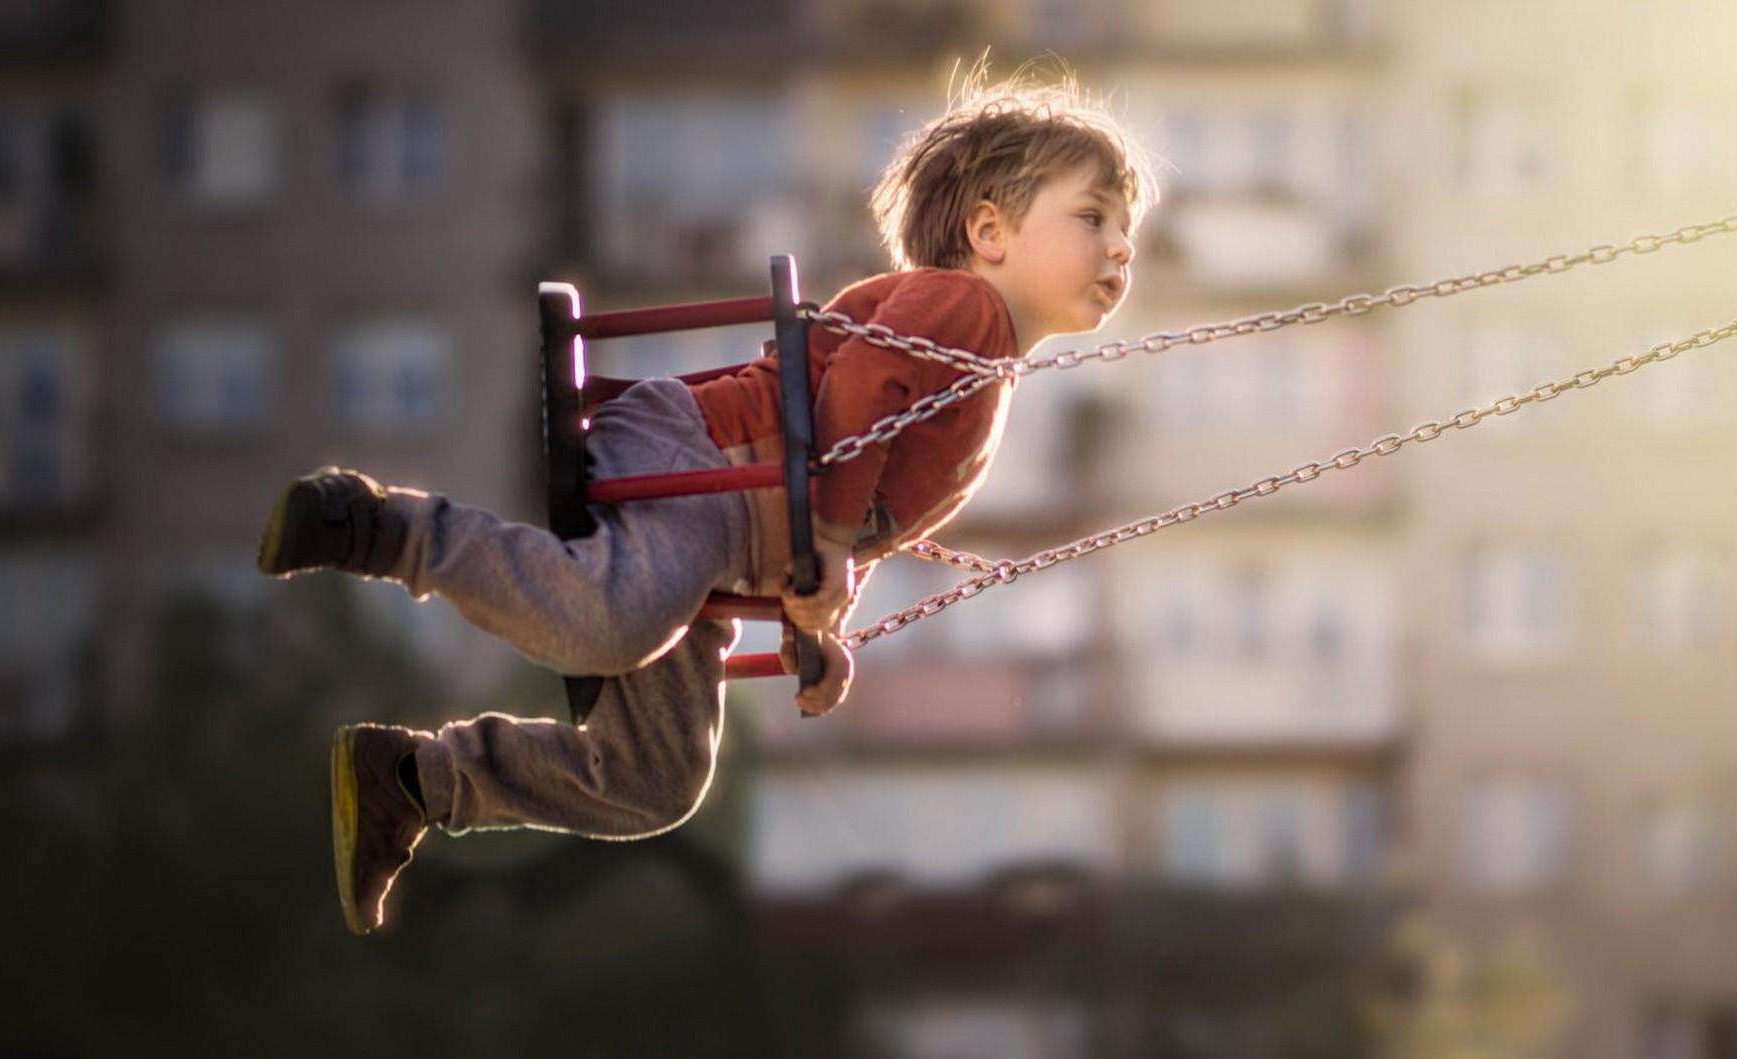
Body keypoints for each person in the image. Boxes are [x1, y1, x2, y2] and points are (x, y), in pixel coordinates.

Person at [258, 62, 1157, 936]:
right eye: (1093, 217)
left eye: (1128, 227)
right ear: (991, 231)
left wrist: (817, 625)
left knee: (655, 779)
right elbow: (853, 405)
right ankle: (377, 526)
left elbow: (851, 501)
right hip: (696, 454)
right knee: (612, 620)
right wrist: (834, 541)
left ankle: (412, 780)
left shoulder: (985, 365)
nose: (1121, 245)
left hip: (725, 541)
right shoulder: (960, 308)